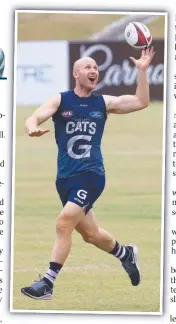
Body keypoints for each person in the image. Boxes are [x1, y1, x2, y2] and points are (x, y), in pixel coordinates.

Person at [21, 47, 155, 300]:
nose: (94, 71)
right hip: (65, 179)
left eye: (96, 67)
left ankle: (47, 283)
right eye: (88, 67)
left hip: (91, 175)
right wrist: (31, 128)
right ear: (76, 74)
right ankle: (125, 254)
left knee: (63, 223)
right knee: (91, 235)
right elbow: (35, 117)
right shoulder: (61, 100)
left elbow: (141, 102)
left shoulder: (103, 103)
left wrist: (142, 71)